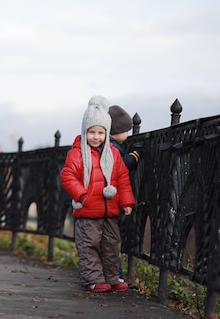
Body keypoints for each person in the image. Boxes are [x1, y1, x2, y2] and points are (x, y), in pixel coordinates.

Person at [60, 95, 135, 293]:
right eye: (91, 132)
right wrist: (81, 195)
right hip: (87, 211)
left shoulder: (113, 153)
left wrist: (126, 202)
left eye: (100, 133)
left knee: (110, 245)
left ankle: (112, 277)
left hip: (109, 210)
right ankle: (93, 279)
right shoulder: (77, 153)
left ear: (107, 133)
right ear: (85, 132)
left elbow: (123, 178)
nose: (96, 137)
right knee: (89, 245)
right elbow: (68, 176)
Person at [108, 104, 140, 282]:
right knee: (113, 238)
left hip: (108, 198)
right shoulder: (114, 147)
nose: (128, 134)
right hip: (113, 199)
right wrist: (135, 157)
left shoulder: (107, 145)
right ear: (117, 131)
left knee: (108, 238)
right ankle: (116, 275)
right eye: (126, 130)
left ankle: (110, 274)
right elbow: (121, 165)